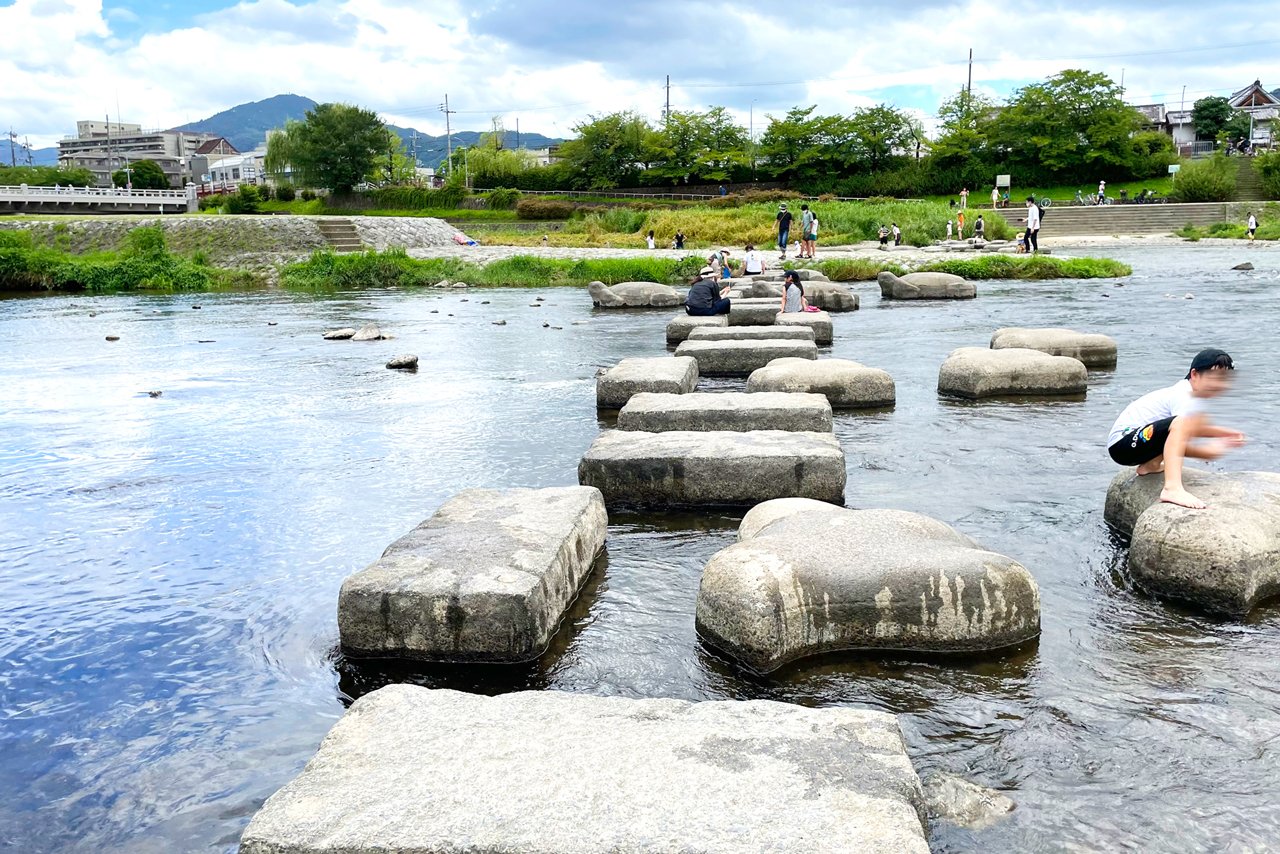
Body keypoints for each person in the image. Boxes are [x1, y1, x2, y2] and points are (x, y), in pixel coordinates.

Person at [1106, 349, 1244, 509]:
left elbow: (1194, 429)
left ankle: (1150, 466)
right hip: (1123, 444)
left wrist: (1225, 434)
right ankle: (1172, 488)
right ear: (1194, 374)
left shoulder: (1191, 398)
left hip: (1134, 445)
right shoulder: (1183, 394)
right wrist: (1206, 453)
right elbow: (1182, 431)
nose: (1219, 385)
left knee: (1183, 424)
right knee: (1181, 424)